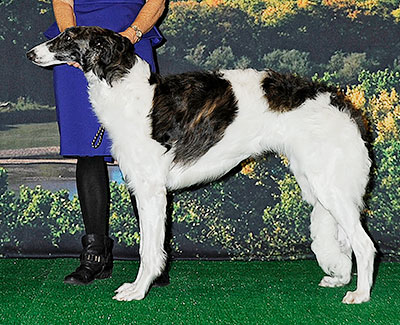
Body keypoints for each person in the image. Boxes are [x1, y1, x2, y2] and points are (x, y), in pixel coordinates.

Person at [45, 0, 169, 286]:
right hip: (77, 51)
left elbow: (156, 1)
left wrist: (130, 35)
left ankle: (153, 258)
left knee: (140, 153)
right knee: (87, 152)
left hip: (129, 46)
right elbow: (63, 1)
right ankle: (95, 255)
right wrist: (74, 45)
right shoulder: (75, 47)